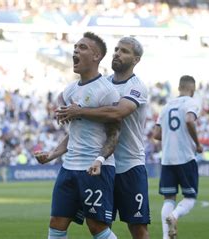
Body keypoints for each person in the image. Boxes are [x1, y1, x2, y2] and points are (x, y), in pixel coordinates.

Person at [56, 37, 150, 239]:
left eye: (124, 51)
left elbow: (118, 112)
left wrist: (79, 110)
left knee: (137, 228)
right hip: (102, 164)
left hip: (129, 165)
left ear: (136, 59)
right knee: (98, 225)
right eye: (116, 49)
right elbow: (80, 127)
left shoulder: (136, 87)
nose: (117, 53)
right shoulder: (102, 84)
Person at [34, 32, 121, 239]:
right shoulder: (70, 90)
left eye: (82, 47)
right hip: (69, 168)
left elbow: (114, 133)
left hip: (94, 169)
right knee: (56, 224)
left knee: (97, 228)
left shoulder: (107, 91)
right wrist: (52, 155)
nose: (75, 50)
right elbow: (74, 133)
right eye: (75, 47)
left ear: (96, 56)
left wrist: (100, 160)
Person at [153, 75, 202, 239]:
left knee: (168, 199)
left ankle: (166, 237)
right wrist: (198, 143)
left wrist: (170, 136)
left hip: (167, 159)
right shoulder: (191, 102)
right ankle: (175, 215)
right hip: (185, 157)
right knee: (190, 197)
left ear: (179, 87)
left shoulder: (166, 106)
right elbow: (189, 120)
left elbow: (156, 134)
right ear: (192, 89)